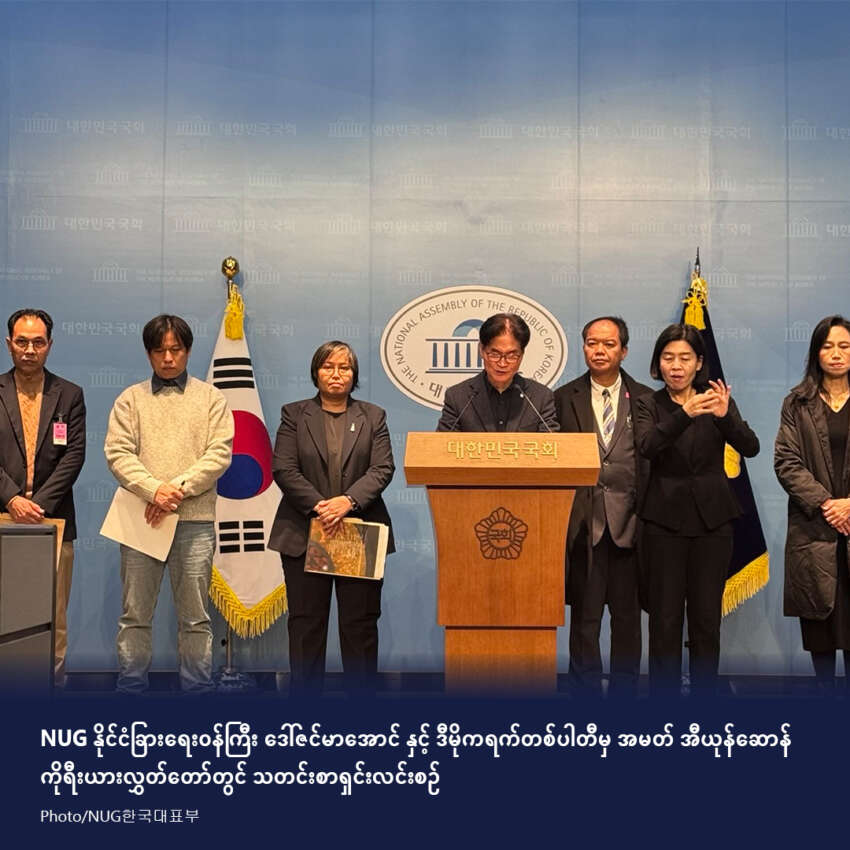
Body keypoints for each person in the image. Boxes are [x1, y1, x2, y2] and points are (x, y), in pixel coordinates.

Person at [104, 315, 233, 694]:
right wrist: (153, 491)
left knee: (195, 617)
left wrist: (172, 491)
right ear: (149, 354)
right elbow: (118, 453)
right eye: (159, 350)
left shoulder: (212, 399)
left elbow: (219, 455)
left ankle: (196, 690)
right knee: (134, 615)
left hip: (194, 522)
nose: (168, 358)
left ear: (188, 351)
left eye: (176, 349)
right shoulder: (130, 399)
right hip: (142, 520)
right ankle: (131, 689)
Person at [635, 323, 759, 697]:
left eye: (685, 358)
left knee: (706, 619)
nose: (676, 366)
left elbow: (750, 447)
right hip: (663, 523)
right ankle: (664, 703)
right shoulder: (647, 403)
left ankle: (706, 698)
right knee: (665, 619)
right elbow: (646, 446)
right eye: (668, 357)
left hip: (712, 523)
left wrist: (725, 416)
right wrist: (684, 414)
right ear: (658, 362)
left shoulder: (716, 399)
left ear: (699, 363)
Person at [269, 341, 395, 697]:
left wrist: (348, 502)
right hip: (306, 530)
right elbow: (284, 468)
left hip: (359, 530)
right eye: (328, 366)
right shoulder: (294, 415)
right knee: (306, 625)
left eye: (344, 367)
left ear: (354, 375)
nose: (336, 374)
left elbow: (383, 468)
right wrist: (322, 506)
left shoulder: (374, 416)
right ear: (316, 372)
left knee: (360, 625)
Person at [554, 316, 651, 698]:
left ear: (623, 351)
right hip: (584, 525)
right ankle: (585, 697)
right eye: (592, 342)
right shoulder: (563, 398)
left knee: (627, 620)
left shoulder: (645, 398)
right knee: (585, 619)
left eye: (608, 344)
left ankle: (625, 696)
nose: (599, 350)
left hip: (631, 524)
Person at [0, 309, 85, 688]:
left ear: (49, 345)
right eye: (22, 342)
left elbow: (74, 455)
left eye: (38, 342)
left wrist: (38, 505)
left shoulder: (69, 394)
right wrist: (12, 499)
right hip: (3, 515)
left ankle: (52, 691)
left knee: (53, 614)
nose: (29, 350)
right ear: (9, 344)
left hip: (53, 521)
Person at [775, 315, 850, 694]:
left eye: (844, 346)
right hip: (815, 527)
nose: (836, 354)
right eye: (827, 346)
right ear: (815, 352)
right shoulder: (797, 402)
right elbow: (786, 461)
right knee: (820, 626)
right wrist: (828, 504)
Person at [437, 313, 558, 432]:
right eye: (495, 354)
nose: (502, 363)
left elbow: (552, 443)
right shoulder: (458, 398)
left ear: (521, 355)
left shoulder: (540, 398)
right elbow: (443, 443)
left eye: (511, 356)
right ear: (481, 350)